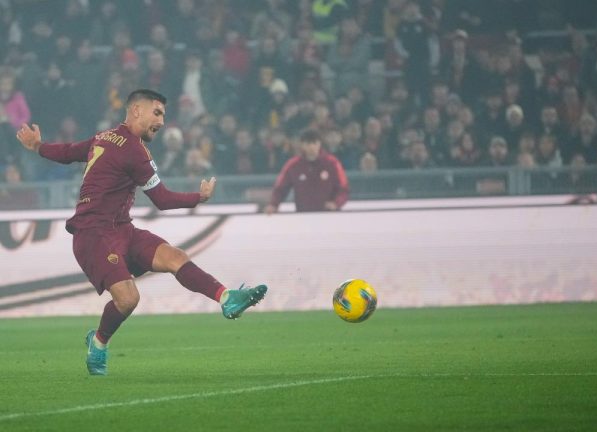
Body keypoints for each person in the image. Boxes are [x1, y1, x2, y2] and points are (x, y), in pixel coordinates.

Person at [15, 89, 268, 376]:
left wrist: (39, 146)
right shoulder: (134, 150)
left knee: (174, 256)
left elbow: (69, 152)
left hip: (122, 229)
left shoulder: (105, 136)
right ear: (137, 110)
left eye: (163, 115)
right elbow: (161, 200)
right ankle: (98, 344)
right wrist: (198, 198)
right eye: (157, 113)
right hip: (92, 233)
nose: (161, 121)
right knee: (128, 299)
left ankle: (226, 298)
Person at [265, 128, 349, 214]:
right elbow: (281, 188)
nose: (312, 147)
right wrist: (273, 204)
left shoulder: (332, 163)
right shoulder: (293, 165)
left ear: (320, 143)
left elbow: (343, 188)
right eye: (308, 143)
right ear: (302, 145)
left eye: (314, 143)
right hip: (303, 216)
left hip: (328, 215)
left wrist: (336, 203)